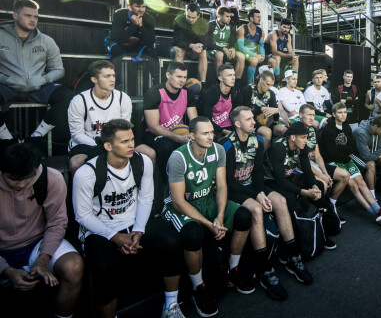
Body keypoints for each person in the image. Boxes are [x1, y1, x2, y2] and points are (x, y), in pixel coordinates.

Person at [72, 119, 186, 318]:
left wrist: (139, 230)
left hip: (134, 221)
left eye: (132, 139)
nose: (131, 145)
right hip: (101, 228)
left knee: (171, 241)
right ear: (108, 145)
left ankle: (171, 305)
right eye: (124, 141)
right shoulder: (86, 173)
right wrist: (115, 236)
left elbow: (145, 198)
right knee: (104, 265)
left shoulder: (142, 161)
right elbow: (82, 215)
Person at [162, 116, 255, 317]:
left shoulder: (218, 150)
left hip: (208, 200)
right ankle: (199, 288)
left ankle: (234, 269)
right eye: (205, 133)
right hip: (182, 207)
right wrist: (208, 223)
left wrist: (220, 216)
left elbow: (221, 186)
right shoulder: (178, 157)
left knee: (244, 215)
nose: (211, 136)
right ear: (191, 135)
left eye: (212, 132)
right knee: (194, 233)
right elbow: (178, 201)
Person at [222, 107, 312, 301]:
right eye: (248, 119)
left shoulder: (258, 141)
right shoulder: (226, 145)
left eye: (253, 118)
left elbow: (257, 173)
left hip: (253, 187)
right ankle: (265, 270)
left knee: (279, 200)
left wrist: (261, 192)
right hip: (234, 191)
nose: (254, 122)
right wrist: (256, 196)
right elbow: (228, 183)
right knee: (256, 209)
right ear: (237, 124)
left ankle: (292, 256)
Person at [0, 143, 84, 318]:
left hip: (36, 243)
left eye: (26, 178)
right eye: (14, 178)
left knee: (73, 266)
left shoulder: (50, 178)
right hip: (2, 248)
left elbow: (57, 223)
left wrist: (42, 260)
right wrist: (7, 270)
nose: (21, 184)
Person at [0, 0, 72, 141]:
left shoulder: (46, 40)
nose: (33, 20)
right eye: (28, 16)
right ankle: (7, 140)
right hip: (8, 86)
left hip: (38, 87)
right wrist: (7, 79)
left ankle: (35, 137)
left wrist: (43, 79)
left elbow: (58, 69)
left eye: (35, 16)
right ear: (15, 16)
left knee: (69, 97)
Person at [67, 60, 156, 173]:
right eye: (107, 76)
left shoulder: (123, 98)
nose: (112, 79)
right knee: (76, 164)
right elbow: (77, 134)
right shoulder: (79, 101)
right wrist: (104, 145)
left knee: (150, 154)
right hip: (88, 142)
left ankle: (143, 188)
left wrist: (115, 144)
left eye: (113, 75)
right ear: (94, 79)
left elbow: (124, 128)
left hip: (117, 140)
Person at [319, 102, 381, 226]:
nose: (343, 115)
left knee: (361, 182)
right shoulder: (328, 130)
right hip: (335, 163)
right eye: (340, 112)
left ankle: (379, 211)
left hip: (347, 160)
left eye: (344, 112)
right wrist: (345, 150)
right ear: (333, 114)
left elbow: (352, 147)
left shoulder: (346, 126)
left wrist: (343, 149)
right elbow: (331, 153)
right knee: (354, 186)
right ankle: (376, 213)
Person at [265, 122, 335, 248]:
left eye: (307, 137)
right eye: (303, 137)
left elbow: (307, 169)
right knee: (290, 197)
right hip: (271, 181)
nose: (305, 140)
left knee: (318, 186)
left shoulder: (302, 146)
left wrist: (313, 186)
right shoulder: (278, 148)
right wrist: (303, 191)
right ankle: (294, 241)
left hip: (289, 176)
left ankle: (320, 232)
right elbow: (280, 180)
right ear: (292, 137)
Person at [141, 62, 198, 189]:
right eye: (179, 77)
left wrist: (195, 135)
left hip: (178, 131)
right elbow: (153, 126)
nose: (182, 80)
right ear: (168, 75)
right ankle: (167, 187)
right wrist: (178, 138)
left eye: (184, 77)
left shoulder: (188, 93)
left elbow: (194, 121)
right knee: (166, 147)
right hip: (154, 133)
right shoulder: (154, 92)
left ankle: (195, 185)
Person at [298, 104, 349, 218]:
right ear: (301, 115)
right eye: (309, 115)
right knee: (323, 184)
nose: (312, 118)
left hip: (314, 164)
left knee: (345, 176)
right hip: (302, 168)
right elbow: (301, 163)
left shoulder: (312, 129)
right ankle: (320, 217)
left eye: (313, 115)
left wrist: (325, 172)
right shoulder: (296, 130)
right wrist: (322, 176)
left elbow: (317, 155)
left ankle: (331, 206)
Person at [105, 0, 159, 81]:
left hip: (136, 46)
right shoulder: (119, 14)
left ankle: (156, 81)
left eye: (143, 6)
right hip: (118, 43)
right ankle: (115, 82)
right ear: (129, 6)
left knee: (151, 51)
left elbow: (150, 41)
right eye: (138, 6)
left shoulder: (148, 18)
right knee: (116, 50)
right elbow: (118, 39)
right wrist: (133, 25)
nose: (141, 9)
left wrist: (141, 26)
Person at [198, 64, 240, 141]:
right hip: (212, 127)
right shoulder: (211, 93)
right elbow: (207, 119)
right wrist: (224, 131)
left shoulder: (235, 91)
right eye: (229, 75)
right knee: (220, 140)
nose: (233, 78)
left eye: (234, 75)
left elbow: (237, 113)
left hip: (228, 124)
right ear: (220, 78)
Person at [240, 70, 280, 148]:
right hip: (251, 121)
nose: (269, 87)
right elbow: (242, 112)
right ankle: (262, 158)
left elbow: (276, 118)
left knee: (283, 130)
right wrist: (260, 109)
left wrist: (276, 111)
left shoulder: (271, 93)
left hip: (266, 121)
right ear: (261, 80)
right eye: (267, 84)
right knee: (267, 133)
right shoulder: (248, 90)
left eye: (271, 85)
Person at [172, 3, 209, 85]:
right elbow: (178, 41)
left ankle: (203, 83)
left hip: (194, 51)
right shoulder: (178, 20)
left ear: (198, 16)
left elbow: (205, 42)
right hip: (178, 48)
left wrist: (200, 46)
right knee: (179, 50)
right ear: (185, 13)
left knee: (203, 52)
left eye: (193, 17)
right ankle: (179, 81)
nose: (191, 19)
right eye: (188, 16)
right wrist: (192, 46)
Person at [206, 7, 245, 79]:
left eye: (230, 16)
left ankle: (236, 83)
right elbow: (208, 43)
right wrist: (223, 48)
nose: (229, 18)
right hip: (213, 50)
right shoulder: (211, 25)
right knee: (219, 54)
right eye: (227, 16)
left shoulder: (231, 27)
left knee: (241, 56)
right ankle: (219, 81)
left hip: (225, 51)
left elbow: (232, 42)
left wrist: (232, 48)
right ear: (219, 16)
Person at [236, 9, 266, 85]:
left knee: (255, 60)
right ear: (251, 18)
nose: (260, 19)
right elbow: (241, 47)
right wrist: (254, 55)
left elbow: (261, 46)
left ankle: (249, 83)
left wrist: (263, 55)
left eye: (260, 17)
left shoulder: (261, 31)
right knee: (254, 59)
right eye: (258, 17)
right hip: (241, 52)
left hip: (252, 55)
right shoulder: (242, 29)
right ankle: (245, 83)